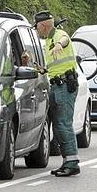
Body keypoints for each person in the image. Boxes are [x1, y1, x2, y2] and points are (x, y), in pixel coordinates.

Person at [34, 10, 81, 177]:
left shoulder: (59, 35)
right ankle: (66, 160)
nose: (37, 30)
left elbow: (65, 39)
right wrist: (39, 68)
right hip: (56, 85)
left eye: (37, 27)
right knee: (58, 125)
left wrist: (60, 44)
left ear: (43, 25)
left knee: (63, 124)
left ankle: (72, 162)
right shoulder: (48, 41)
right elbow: (52, 66)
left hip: (64, 86)